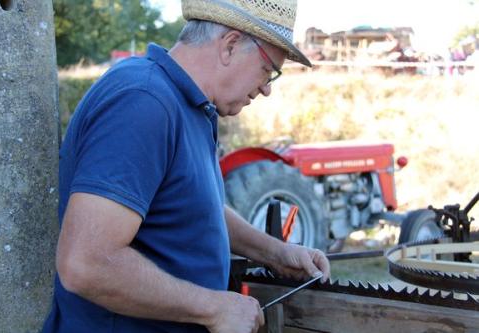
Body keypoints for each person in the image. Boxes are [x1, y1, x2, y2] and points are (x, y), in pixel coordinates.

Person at [42, 0, 330, 332]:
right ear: (230, 45)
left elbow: (193, 205)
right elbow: (85, 263)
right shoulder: (143, 102)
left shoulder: (191, 106)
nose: (266, 89)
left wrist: (275, 252)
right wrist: (213, 309)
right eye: (268, 70)